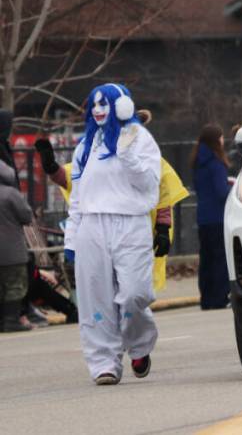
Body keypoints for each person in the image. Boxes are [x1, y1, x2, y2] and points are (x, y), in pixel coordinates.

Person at [64, 83, 162, 385]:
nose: (98, 110)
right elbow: (78, 195)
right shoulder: (86, 146)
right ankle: (103, 363)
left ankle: (140, 343)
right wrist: (72, 237)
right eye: (93, 104)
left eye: (104, 104)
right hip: (92, 225)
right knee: (96, 300)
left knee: (135, 293)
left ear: (121, 106)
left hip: (131, 222)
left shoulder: (140, 139)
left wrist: (127, 155)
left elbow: (149, 185)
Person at [35, 109, 188, 295]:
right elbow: (74, 179)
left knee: (133, 289)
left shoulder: (146, 156)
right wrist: (53, 168)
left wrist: (163, 228)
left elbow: (162, 190)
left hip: (137, 231)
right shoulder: (96, 154)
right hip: (106, 232)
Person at [192, 124, 231, 310]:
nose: (223, 140)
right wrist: (232, 187)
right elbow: (221, 192)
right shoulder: (216, 163)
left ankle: (206, 297)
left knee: (206, 260)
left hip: (203, 217)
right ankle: (219, 297)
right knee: (220, 259)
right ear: (216, 140)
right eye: (221, 137)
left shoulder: (197, 162)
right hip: (218, 217)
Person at [0, 158, 34, 332]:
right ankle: (11, 320)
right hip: (12, 251)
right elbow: (27, 216)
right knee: (15, 286)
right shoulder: (11, 194)